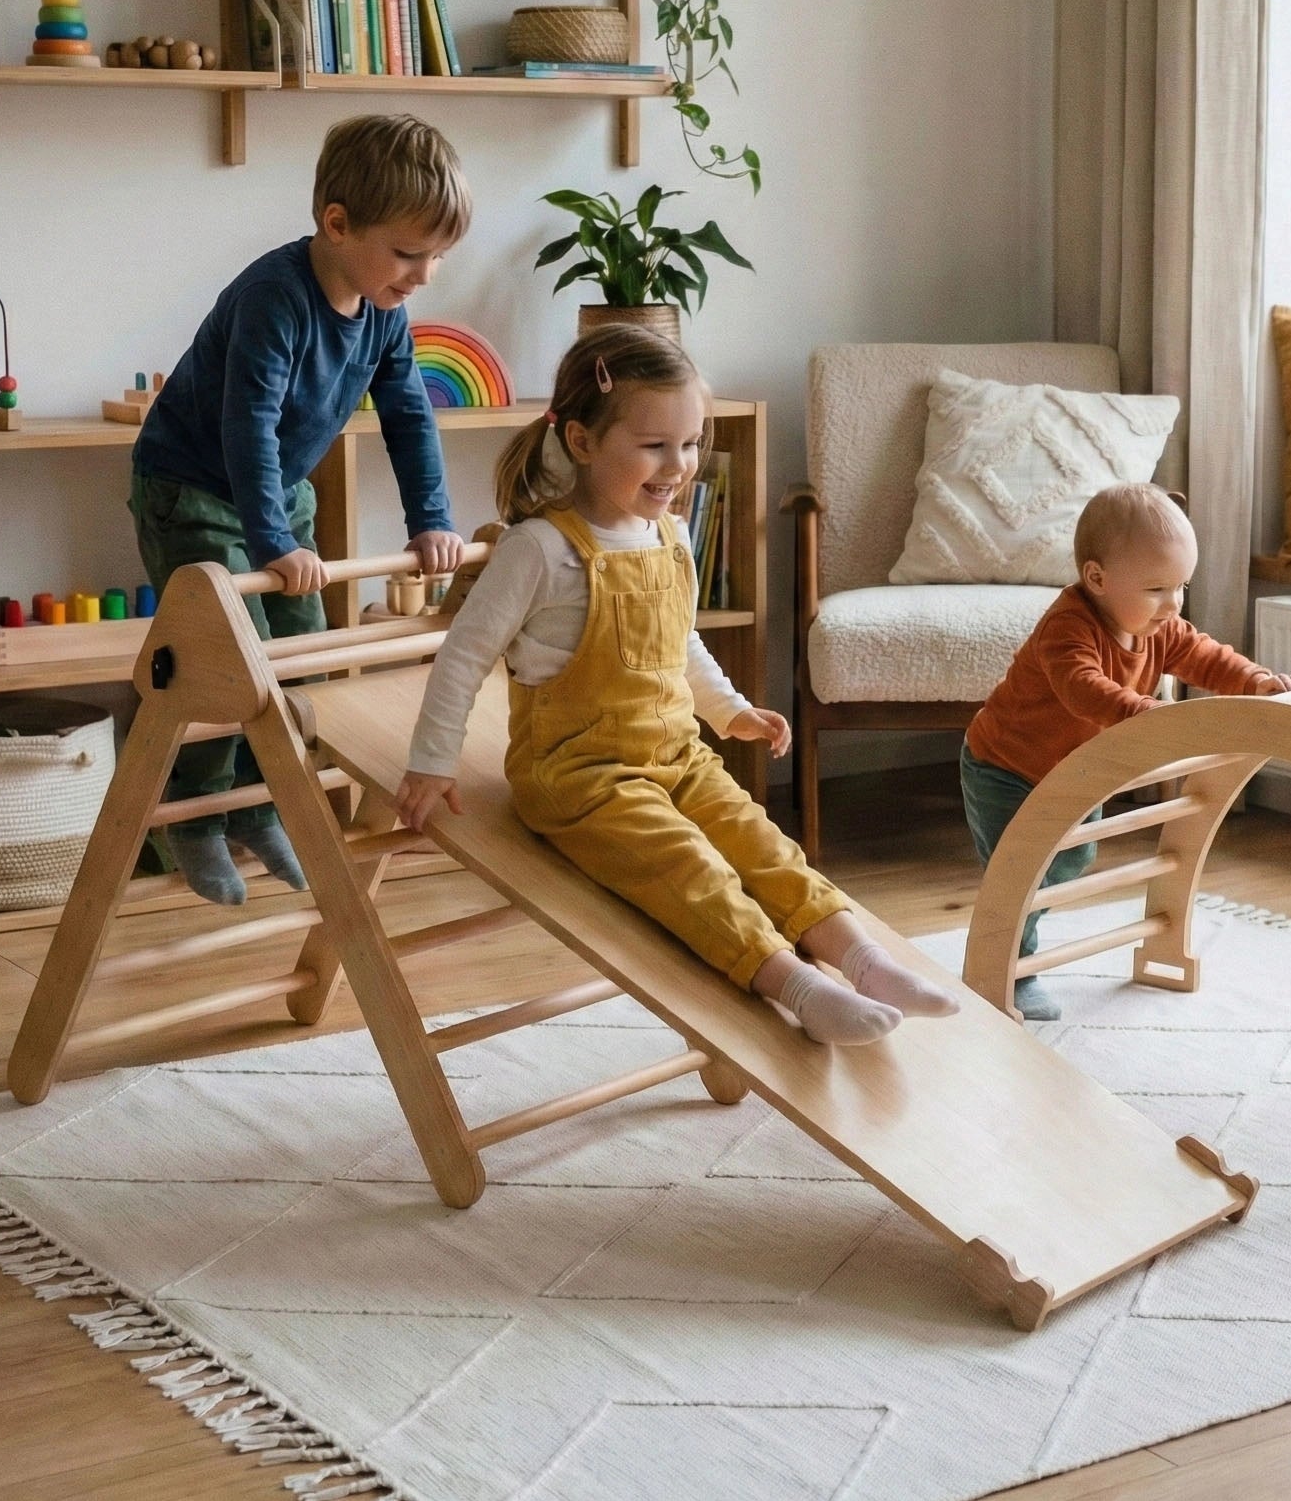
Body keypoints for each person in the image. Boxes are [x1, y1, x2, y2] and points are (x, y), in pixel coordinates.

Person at [394, 326, 959, 1045]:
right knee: (688, 869)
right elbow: (464, 654)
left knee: (762, 843)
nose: (680, 465)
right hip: (581, 775)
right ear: (582, 440)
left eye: (691, 444)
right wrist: (432, 759)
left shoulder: (669, 534)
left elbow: (676, 639)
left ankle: (865, 959)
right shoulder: (540, 549)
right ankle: (797, 986)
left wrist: (729, 711)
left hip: (676, 754)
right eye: (656, 445)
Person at [131, 113, 467, 905]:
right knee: (225, 660)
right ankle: (198, 820)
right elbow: (244, 425)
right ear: (338, 224)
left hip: (277, 490)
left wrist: (432, 519)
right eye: (409, 253)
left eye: (438, 258)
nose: (423, 275)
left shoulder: (384, 314)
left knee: (304, 655)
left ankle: (260, 804)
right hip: (191, 487)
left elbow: (409, 415)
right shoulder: (273, 300)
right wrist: (273, 540)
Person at [961, 483, 1291, 1019]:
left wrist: (1257, 682)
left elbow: (1206, 656)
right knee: (1022, 870)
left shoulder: (1159, 626)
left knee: (1073, 856)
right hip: (1006, 766)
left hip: (1076, 771)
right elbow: (1083, 688)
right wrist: (1146, 715)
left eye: (1182, 586)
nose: (1173, 604)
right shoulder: (1067, 628)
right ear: (1097, 578)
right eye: (1156, 589)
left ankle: (1025, 927)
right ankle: (1012, 970)